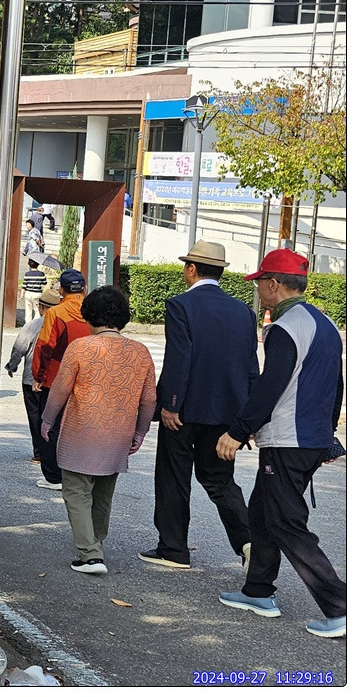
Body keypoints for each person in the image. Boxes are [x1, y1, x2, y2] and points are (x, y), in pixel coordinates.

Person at [216, 249, 346, 639]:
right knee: (262, 510)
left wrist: (238, 430)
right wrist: (327, 436)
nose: (257, 289)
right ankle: (257, 591)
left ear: (273, 284)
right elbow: (335, 385)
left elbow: (270, 386)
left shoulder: (285, 327)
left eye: (259, 282)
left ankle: (340, 606)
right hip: (309, 437)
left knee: (285, 521)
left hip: (289, 439)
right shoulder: (323, 323)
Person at [140, 240, 258, 571]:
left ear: (191, 269)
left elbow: (179, 358)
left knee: (173, 476)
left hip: (185, 409)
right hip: (228, 412)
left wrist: (171, 403)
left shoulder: (181, 305)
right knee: (220, 479)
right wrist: (248, 419)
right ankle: (249, 542)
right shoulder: (244, 312)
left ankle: (174, 549)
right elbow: (251, 367)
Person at [40, 285, 157, 575]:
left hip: (81, 430)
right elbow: (149, 399)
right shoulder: (140, 352)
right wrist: (140, 432)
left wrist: (47, 419)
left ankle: (89, 554)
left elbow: (61, 388)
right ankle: (96, 544)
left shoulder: (81, 347)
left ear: (89, 316)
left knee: (76, 491)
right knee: (103, 493)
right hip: (118, 433)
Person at [32, 268, 90, 490]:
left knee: (49, 424)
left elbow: (45, 346)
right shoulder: (92, 310)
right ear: (84, 289)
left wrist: (38, 375)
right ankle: (79, 472)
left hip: (56, 377)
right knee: (78, 426)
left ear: (61, 290)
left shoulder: (56, 313)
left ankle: (54, 476)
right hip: (87, 377)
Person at [8, 285, 62, 463]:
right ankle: (53, 452)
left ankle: (39, 453)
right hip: (56, 380)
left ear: (41, 306)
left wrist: (12, 366)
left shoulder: (33, 325)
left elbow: (20, 347)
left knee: (34, 415)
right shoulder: (63, 325)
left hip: (31, 378)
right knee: (54, 416)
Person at [21, 258, 48, 323]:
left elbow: (24, 285)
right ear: (38, 264)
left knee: (28, 310)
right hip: (37, 294)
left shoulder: (27, 274)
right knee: (37, 310)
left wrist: (22, 294)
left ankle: (28, 324)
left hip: (28, 294)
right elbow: (44, 283)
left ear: (29, 264)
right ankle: (35, 323)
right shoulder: (41, 274)